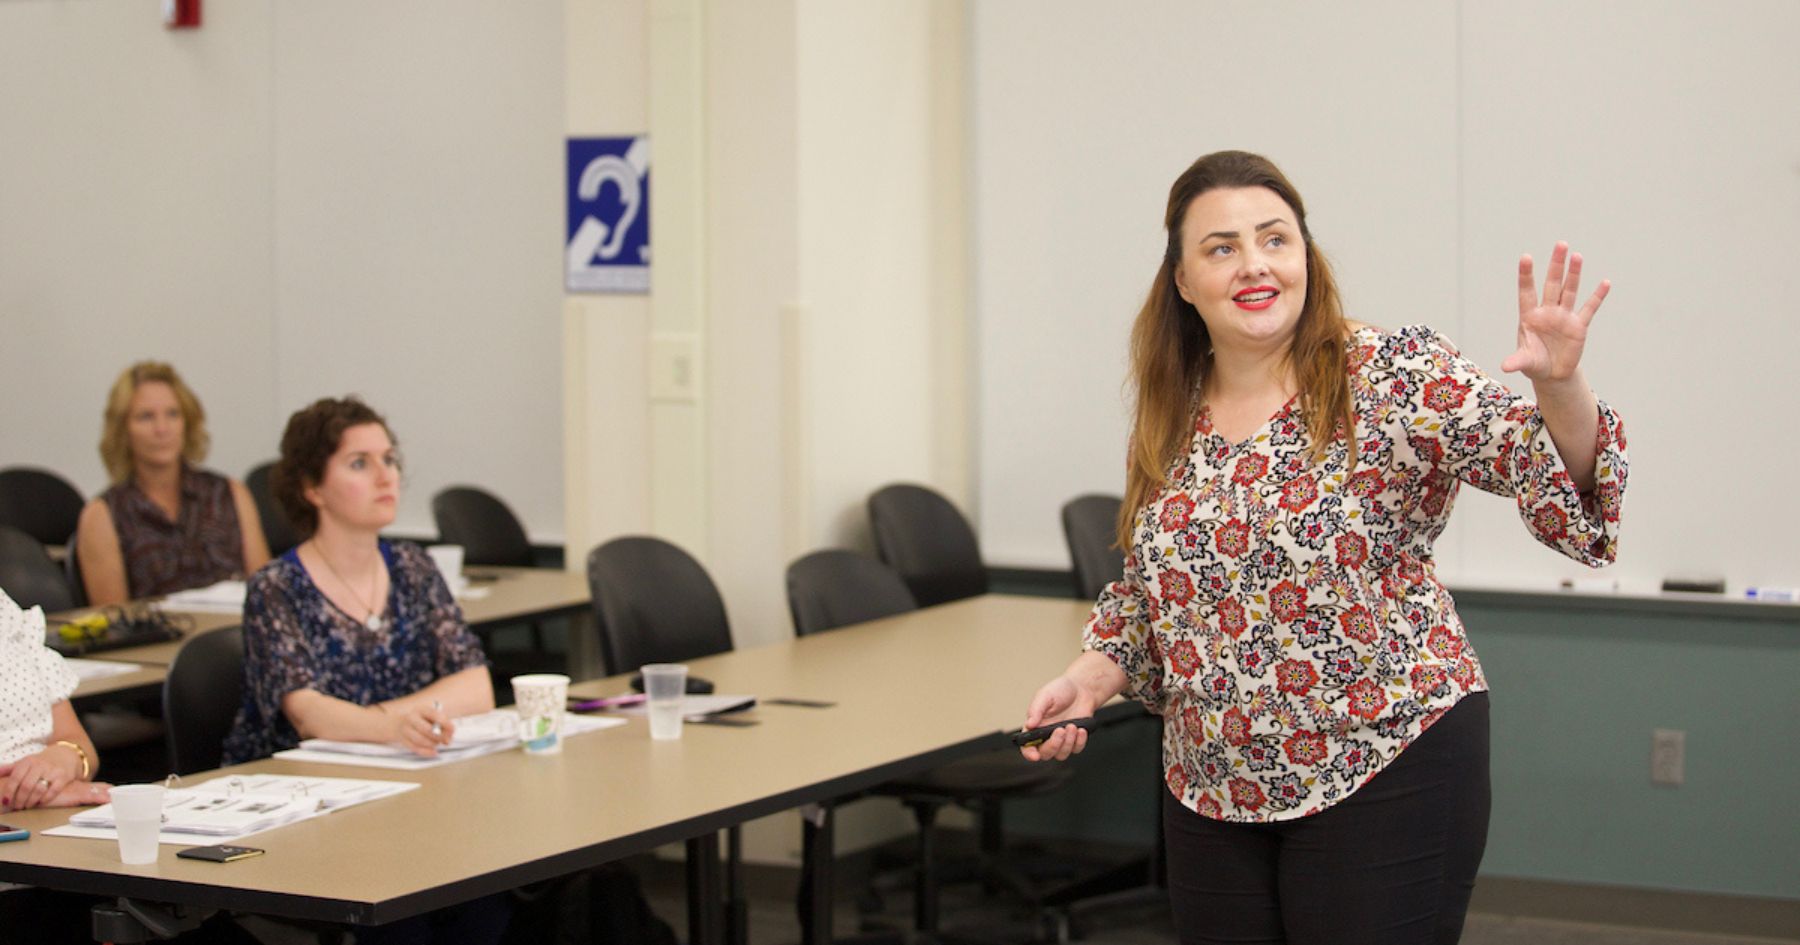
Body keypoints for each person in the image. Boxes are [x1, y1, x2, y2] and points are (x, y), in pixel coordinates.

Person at [1019, 151, 1627, 945]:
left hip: (1386, 759)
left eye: (1275, 238)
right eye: (1222, 247)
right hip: (1213, 783)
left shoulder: (1388, 372)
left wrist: (1559, 387)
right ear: (1182, 279)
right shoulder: (1172, 411)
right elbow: (1151, 591)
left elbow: (1540, 464)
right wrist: (1087, 678)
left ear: (1305, 254)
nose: (1254, 264)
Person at [220, 396, 504, 945]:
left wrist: (388, 723)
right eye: (360, 463)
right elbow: (308, 715)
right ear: (311, 487)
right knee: (405, 919)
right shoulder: (277, 588)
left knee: (484, 898)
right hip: (304, 811)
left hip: (409, 795)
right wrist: (395, 726)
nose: (385, 476)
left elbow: (477, 685)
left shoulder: (415, 567)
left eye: (390, 459)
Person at [75, 361, 271, 606]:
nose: (162, 429)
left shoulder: (229, 493)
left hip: (233, 638)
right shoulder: (103, 514)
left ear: (187, 422)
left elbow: (266, 597)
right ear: (123, 430)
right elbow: (114, 620)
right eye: (146, 417)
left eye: (173, 414)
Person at [0, 587, 112, 940]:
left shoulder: (4, 608)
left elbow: (80, 745)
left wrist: (62, 761)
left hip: (50, 843)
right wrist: (26, 790)